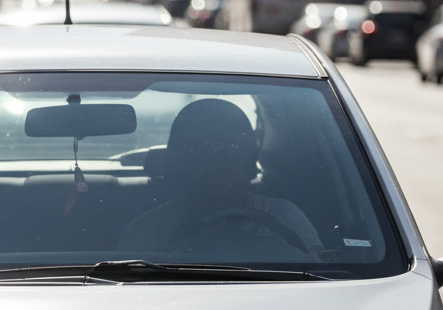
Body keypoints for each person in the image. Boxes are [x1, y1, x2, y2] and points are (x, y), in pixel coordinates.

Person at [120, 98, 322, 259]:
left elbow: (318, 272)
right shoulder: (147, 232)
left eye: (230, 153)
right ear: (179, 164)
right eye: (203, 154)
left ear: (251, 162)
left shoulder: (286, 217)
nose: (218, 166)